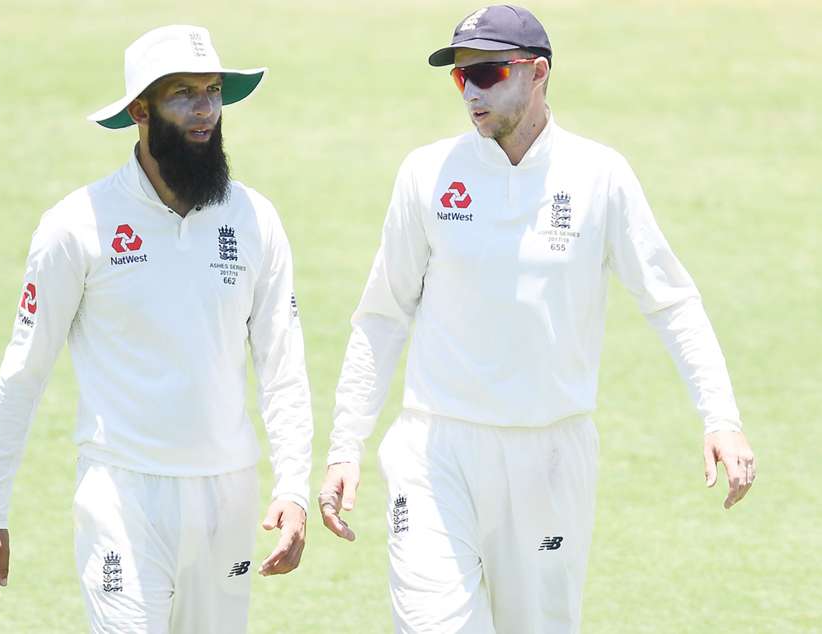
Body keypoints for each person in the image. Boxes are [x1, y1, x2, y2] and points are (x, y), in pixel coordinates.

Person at [317, 5, 756, 633]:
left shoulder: (599, 175)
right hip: (436, 451)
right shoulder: (426, 174)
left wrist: (722, 418)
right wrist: (344, 448)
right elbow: (382, 317)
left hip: (550, 459)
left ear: (538, 72)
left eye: (488, 73)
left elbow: (671, 300)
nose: (470, 92)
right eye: (460, 76)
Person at [0, 25, 313, 633]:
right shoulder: (76, 225)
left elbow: (282, 366)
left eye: (212, 91)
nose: (205, 110)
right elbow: (24, 370)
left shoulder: (255, 218)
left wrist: (294, 488)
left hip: (227, 497)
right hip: (123, 497)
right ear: (140, 111)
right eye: (183, 94)